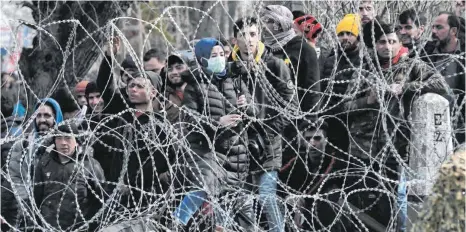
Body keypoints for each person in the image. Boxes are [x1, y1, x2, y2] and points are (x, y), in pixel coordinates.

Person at [343, 23, 451, 230]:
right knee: (361, 207)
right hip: (361, 149)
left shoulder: (411, 66)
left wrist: (406, 88)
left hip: (393, 148)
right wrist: (368, 100)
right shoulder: (364, 70)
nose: (387, 46)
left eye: (392, 41)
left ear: (399, 43)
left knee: (390, 205)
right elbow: (344, 106)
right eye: (382, 42)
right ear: (374, 45)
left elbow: (441, 84)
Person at [94, 36, 179, 221]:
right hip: (118, 195)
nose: (133, 89)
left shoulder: (160, 125)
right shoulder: (123, 117)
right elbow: (105, 88)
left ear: (153, 92)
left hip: (147, 197)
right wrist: (109, 57)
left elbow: (165, 163)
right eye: (131, 85)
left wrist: (132, 184)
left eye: (139, 86)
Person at [179, 37, 257, 231]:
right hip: (209, 152)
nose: (220, 59)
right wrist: (217, 123)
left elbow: (254, 112)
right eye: (214, 55)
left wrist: (246, 107)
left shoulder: (235, 79)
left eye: (222, 54)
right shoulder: (195, 86)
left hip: (236, 151)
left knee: (240, 210)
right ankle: (177, 222)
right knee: (202, 189)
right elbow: (189, 119)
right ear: (203, 59)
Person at [230, 17, 296, 232]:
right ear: (235, 39)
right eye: (243, 35)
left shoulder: (274, 65)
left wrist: (268, 131)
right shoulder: (230, 69)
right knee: (243, 200)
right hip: (239, 143)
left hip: (268, 143)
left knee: (267, 195)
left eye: (252, 34)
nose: (248, 40)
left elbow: (291, 106)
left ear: (259, 36)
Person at [1, 98, 63, 230]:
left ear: (56, 117)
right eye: (38, 115)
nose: (42, 120)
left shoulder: (64, 146)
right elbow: (15, 175)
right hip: (29, 212)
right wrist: (27, 203)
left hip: (57, 213)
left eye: (47, 115)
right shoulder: (23, 145)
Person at [33, 122, 105, 231]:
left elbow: (101, 198)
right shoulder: (44, 163)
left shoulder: (89, 165)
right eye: (59, 138)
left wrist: (92, 224)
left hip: (79, 226)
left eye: (68, 138)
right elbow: (36, 196)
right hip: (49, 226)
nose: (63, 143)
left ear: (76, 142)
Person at [423, 12, 465, 144]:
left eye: (439, 27)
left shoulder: (463, 54)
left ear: (453, 31)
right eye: (433, 27)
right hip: (429, 122)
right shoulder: (426, 52)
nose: (434, 31)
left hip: (458, 124)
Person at [159, 53, 190, 124]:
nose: (174, 72)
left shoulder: (202, 92)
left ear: (189, 68)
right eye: (170, 69)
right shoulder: (163, 98)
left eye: (179, 68)